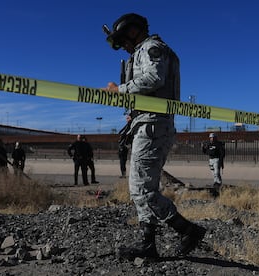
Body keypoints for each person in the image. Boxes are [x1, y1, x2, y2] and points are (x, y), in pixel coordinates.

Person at [103, 13, 206, 259]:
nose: (124, 47)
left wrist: (121, 91)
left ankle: (188, 230)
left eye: (123, 40)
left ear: (132, 31)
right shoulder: (146, 51)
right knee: (140, 187)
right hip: (148, 122)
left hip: (153, 125)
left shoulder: (151, 48)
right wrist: (133, 111)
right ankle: (148, 245)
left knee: (143, 189)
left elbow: (153, 78)